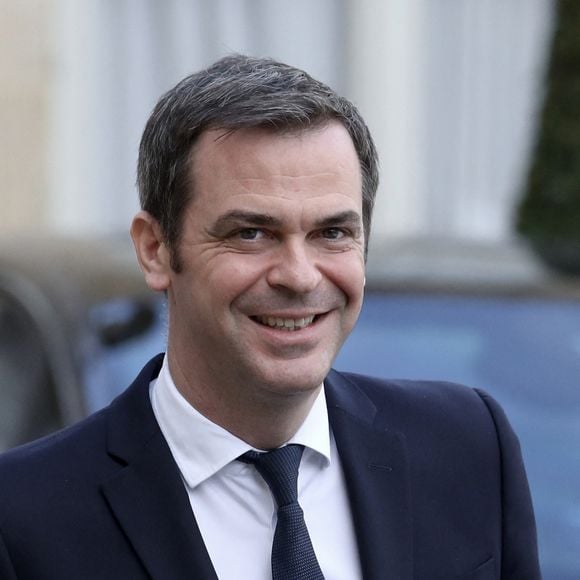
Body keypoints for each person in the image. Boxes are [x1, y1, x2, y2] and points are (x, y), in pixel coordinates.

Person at [0, 55, 540, 580]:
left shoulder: (467, 449)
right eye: (251, 233)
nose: (300, 276)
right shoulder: (24, 519)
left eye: (332, 233)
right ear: (155, 249)